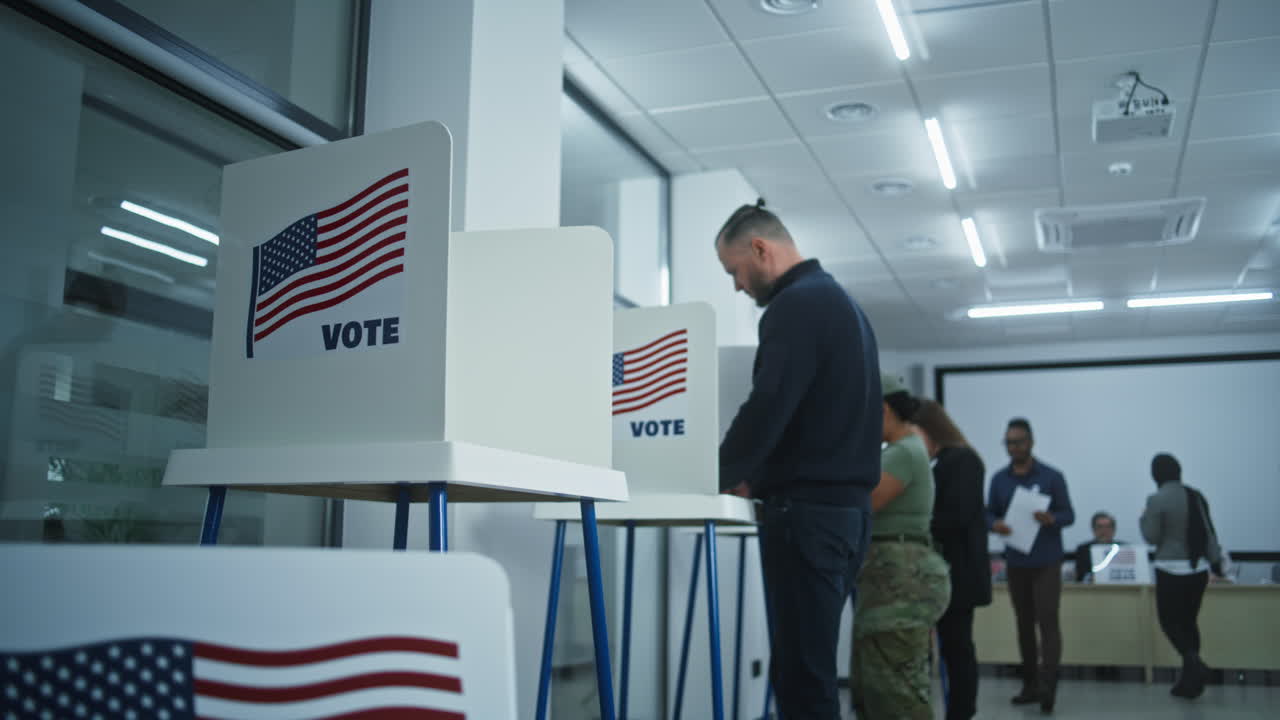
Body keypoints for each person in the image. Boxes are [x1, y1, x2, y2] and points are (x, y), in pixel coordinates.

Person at [714, 200, 881, 719]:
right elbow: (813, 419)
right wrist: (756, 476)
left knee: (803, 682)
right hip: (845, 514)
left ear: (760, 249)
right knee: (810, 672)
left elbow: (768, 406)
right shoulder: (842, 304)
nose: (737, 287)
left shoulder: (798, 305)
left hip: (808, 517)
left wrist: (713, 475)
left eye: (734, 271)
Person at [851, 375, 950, 720]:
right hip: (891, 585)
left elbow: (863, 504)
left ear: (882, 409)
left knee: (897, 694)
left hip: (900, 585)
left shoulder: (902, 453)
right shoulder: (903, 450)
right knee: (880, 689)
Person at [987, 417, 1075, 714]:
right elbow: (988, 514)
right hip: (1016, 560)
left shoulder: (1052, 476)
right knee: (1023, 623)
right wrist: (995, 525)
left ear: (1031, 442)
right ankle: (1030, 685)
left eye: (1019, 442)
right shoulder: (999, 479)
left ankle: (1049, 686)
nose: (1014, 448)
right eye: (1009, 443)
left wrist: (1052, 519)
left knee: (1047, 620)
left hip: (1047, 560)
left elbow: (1069, 514)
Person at [913, 398, 991, 720]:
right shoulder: (947, 461)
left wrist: (913, 521)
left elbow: (955, 516)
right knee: (952, 648)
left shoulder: (961, 460)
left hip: (958, 574)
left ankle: (961, 713)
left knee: (957, 649)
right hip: (948, 571)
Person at [1140, 453, 1224, 700]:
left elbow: (1152, 537)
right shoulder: (1196, 495)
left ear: (1156, 474)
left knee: (1169, 622)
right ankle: (1190, 683)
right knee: (1188, 622)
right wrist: (1216, 564)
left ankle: (1195, 664)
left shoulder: (1156, 499)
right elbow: (1209, 532)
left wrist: (1143, 517)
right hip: (1198, 570)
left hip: (1170, 570)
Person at [1074, 512, 1119, 582]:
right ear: (1093, 529)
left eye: (1108, 527)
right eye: (1100, 527)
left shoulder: (1123, 549)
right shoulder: (1083, 550)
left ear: (1114, 530)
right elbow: (1080, 576)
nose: (1104, 531)